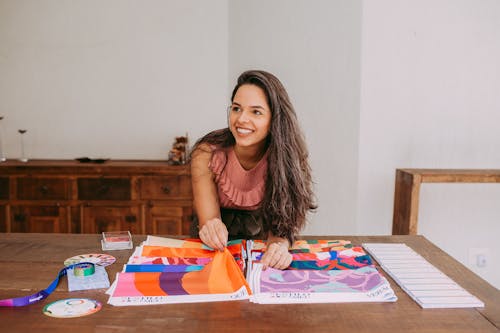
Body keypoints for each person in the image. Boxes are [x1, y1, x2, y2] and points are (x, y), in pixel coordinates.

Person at [190, 70, 316, 269]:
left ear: (274, 118)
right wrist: (210, 227)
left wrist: (279, 246)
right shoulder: (206, 153)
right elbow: (209, 218)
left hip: (263, 247)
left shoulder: (288, 157)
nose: (241, 119)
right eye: (237, 108)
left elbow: (283, 227)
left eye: (256, 112)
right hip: (216, 248)